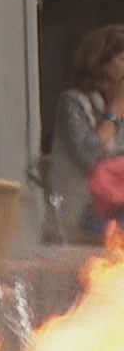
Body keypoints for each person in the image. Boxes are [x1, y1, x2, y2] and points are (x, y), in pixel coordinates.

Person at [48, 24, 124, 242]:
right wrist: (115, 110)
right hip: (81, 214)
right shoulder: (74, 102)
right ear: (101, 63)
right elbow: (92, 158)